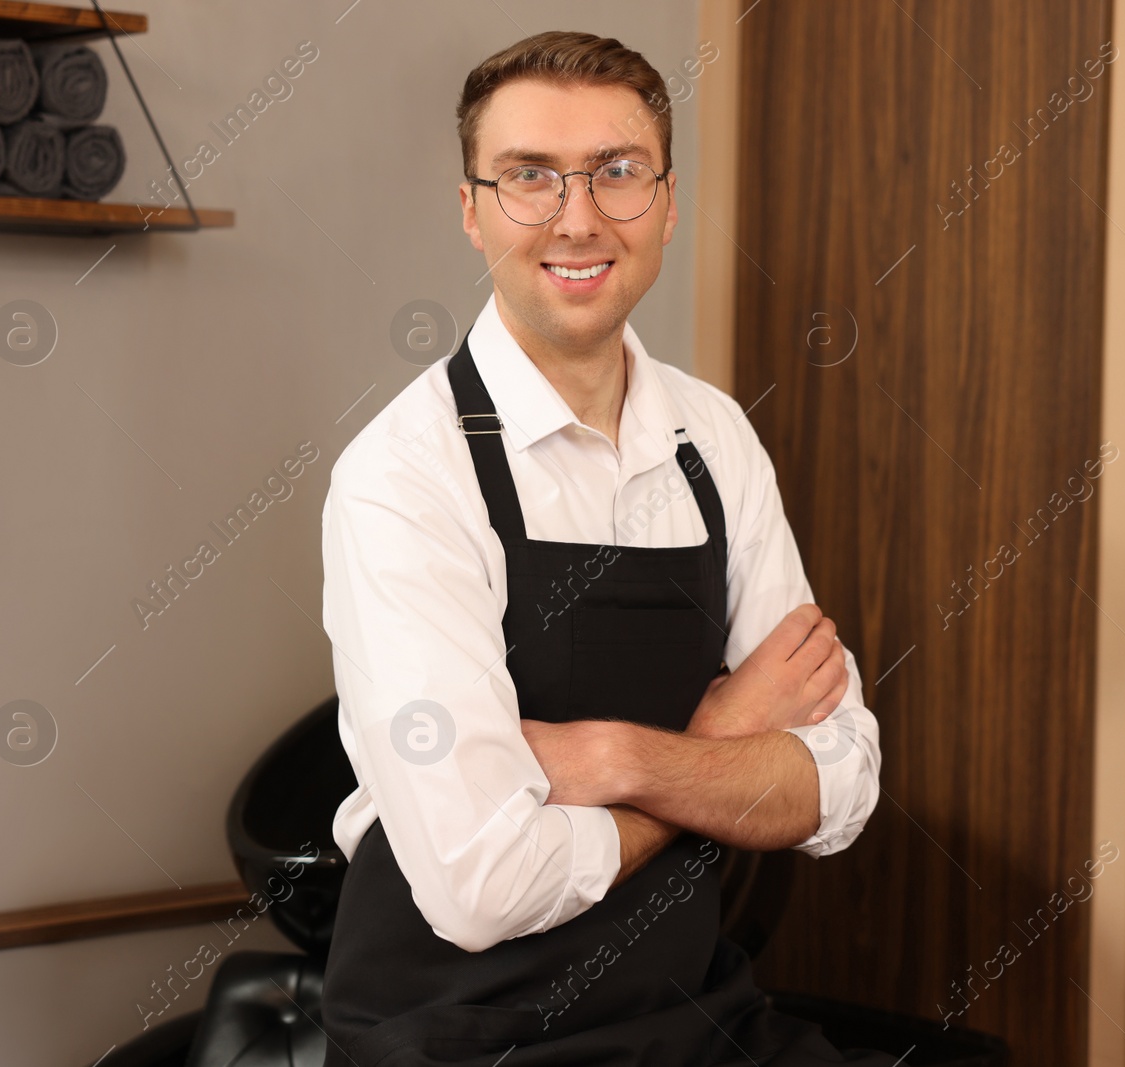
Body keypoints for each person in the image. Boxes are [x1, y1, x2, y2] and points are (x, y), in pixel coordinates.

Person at [319, 29, 889, 1065]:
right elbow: (483, 884)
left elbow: (840, 781)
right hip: (456, 1033)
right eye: (530, 177)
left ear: (667, 203)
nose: (577, 217)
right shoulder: (404, 473)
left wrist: (612, 758)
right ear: (472, 209)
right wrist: (714, 740)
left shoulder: (713, 437)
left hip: (691, 1011)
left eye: (617, 173)